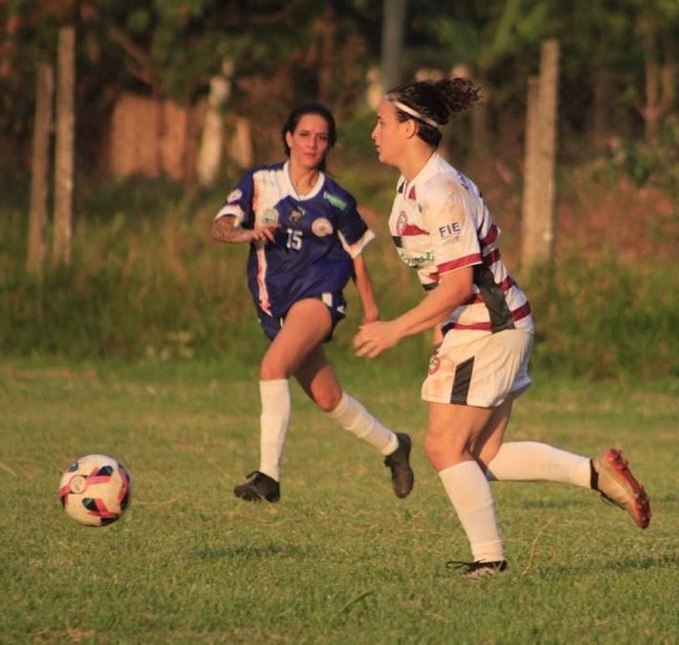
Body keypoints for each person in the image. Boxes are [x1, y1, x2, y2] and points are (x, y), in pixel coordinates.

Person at [354, 79, 651, 578]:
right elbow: (443, 282)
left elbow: (457, 285)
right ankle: (595, 473)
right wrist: (435, 329)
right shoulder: (413, 185)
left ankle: (488, 562)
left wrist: (394, 330)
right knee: (482, 454)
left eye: (382, 123)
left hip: (486, 326)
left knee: (444, 449)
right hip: (484, 325)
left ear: (409, 127)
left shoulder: (441, 189)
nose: (374, 132)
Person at [210, 101, 414, 504]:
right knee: (328, 399)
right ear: (288, 138)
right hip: (275, 305)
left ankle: (268, 478)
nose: (312, 144)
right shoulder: (260, 182)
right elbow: (219, 228)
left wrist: (371, 311)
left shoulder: (337, 200)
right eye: (304, 135)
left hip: (319, 297)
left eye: (321, 138)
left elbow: (357, 256)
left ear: (329, 145)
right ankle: (394, 447)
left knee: (272, 368)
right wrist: (245, 235)